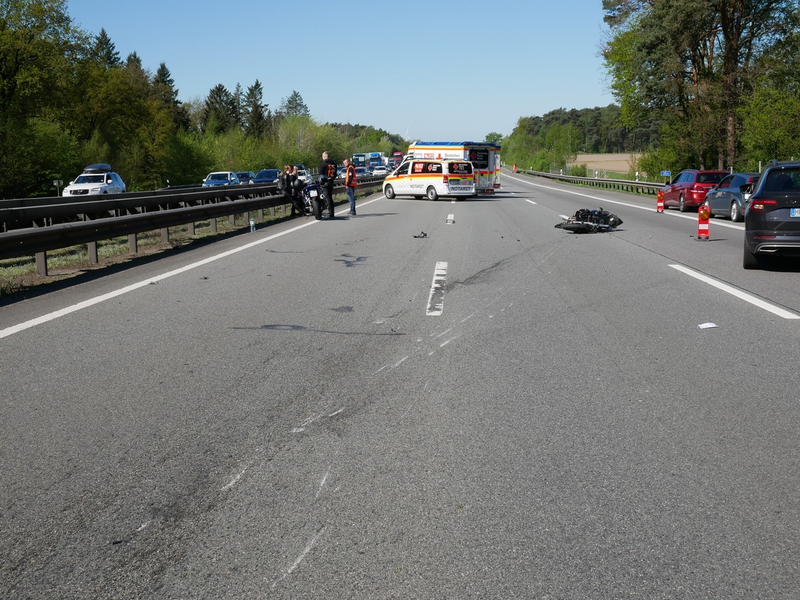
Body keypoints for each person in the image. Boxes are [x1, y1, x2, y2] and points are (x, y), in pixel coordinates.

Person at [320, 151, 338, 218]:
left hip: (325, 183)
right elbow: (335, 173)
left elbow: (321, 174)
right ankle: (332, 212)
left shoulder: (323, 164)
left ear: (324, 157)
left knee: (327, 198)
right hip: (331, 182)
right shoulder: (334, 163)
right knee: (330, 197)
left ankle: (330, 213)